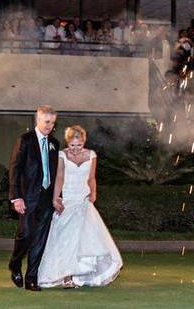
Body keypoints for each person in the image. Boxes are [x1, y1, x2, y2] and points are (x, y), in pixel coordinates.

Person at [37, 125, 123, 288]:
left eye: (79, 145)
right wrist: (56, 198)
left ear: (83, 142)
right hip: (68, 201)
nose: (75, 149)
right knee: (65, 240)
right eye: (72, 145)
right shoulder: (62, 154)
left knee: (85, 240)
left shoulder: (91, 155)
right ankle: (66, 277)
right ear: (68, 143)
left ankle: (80, 275)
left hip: (83, 201)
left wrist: (93, 192)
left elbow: (91, 177)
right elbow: (60, 177)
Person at [8, 106, 61, 291]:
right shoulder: (24, 140)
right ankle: (15, 265)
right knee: (26, 234)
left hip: (47, 199)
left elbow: (56, 174)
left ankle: (32, 279)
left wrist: (57, 197)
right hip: (28, 197)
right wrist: (16, 197)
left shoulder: (55, 143)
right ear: (37, 120)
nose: (50, 126)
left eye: (53, 123)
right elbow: (14, 169)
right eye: (47, 122)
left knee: (40, 240)